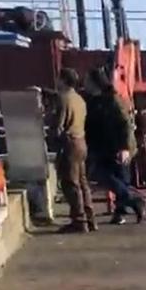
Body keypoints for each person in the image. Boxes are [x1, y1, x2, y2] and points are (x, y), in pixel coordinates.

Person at [85, 68, 145, 224]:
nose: (85, 84)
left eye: (87, 80)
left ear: (96, 82)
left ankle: (131, 202)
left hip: (117, 146)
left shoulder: (112, 100)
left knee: (104, 175)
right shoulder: (94, 100)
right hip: (104, 146)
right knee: (118, 179)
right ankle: (122, 211)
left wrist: (124, 148)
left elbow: (125, 124)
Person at [54, 68, 95, 233]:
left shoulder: (63, 99)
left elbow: (58, 126)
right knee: (83, 182)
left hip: (70, 144)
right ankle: (90, 218)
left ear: (63, 80)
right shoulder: (79, 99)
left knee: (70, 183)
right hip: (81, 142)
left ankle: (79, 220)